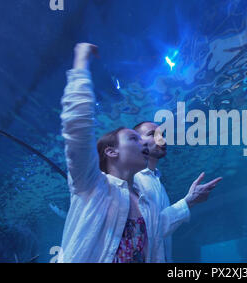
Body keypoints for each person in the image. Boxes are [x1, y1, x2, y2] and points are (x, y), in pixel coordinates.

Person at [59, 43, 222, 263]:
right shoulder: (93, 185)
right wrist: (80, 62)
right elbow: (77, 129)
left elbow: (157, 229)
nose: (150, 142)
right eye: (135, 138)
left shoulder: (143, 200)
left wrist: (189, 201)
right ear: (111, 151)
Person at [133, 122, 223, 262]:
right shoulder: (133, 180)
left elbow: (159, 236)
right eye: (152, 134)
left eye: (162, 135)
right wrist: (188, 201)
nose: (161, 139)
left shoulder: (157, 182)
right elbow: (151, 231)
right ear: (135, 143)